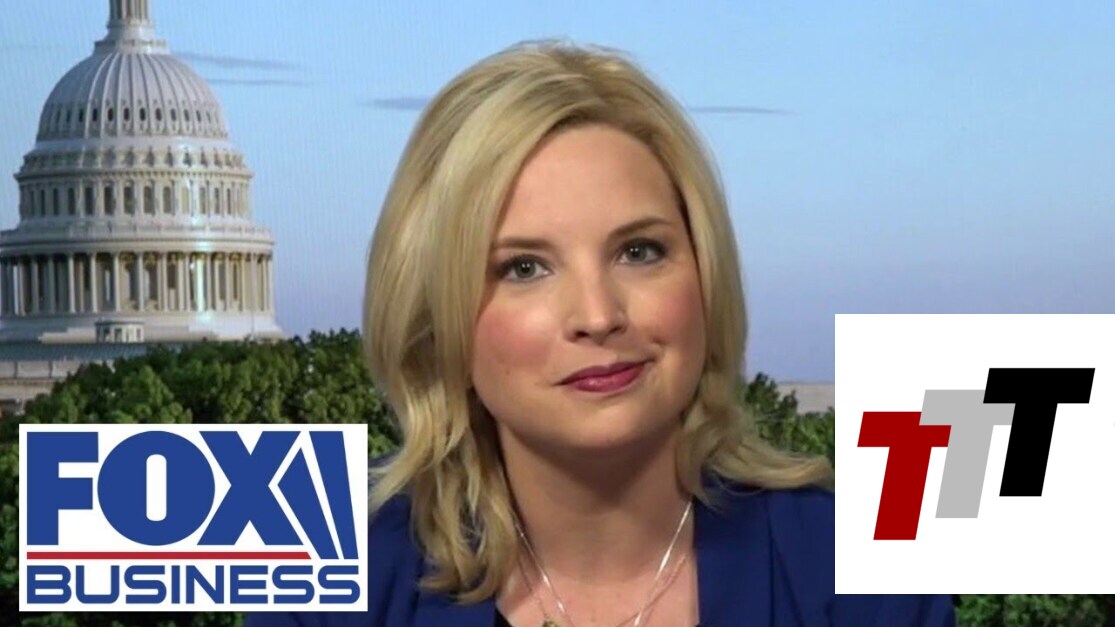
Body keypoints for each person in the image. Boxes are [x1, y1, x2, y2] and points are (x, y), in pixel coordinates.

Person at [250, 40, 955, 626]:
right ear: (438, 322)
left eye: (638, 251)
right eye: (524, 267)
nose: (597, 314)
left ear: (706, 277)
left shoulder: (867, 572)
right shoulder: (320, 569)